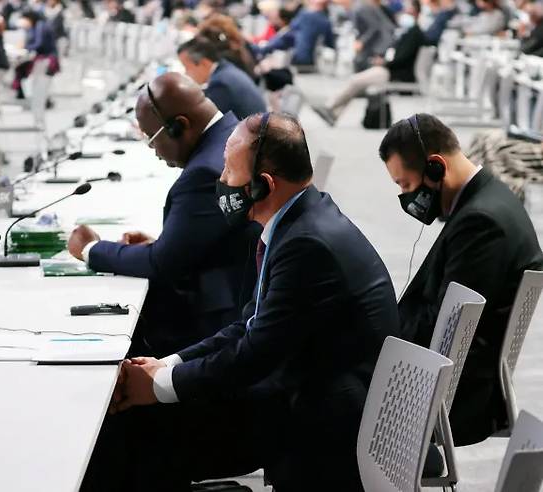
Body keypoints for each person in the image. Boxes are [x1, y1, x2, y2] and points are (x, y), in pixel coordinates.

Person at [79, 112, 399, 491]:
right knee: (143, 419)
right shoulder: (301, 220)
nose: (222, 184)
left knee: (137, 427)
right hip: (303, 392)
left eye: (229, 174)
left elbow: (253, 356)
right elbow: (248, 325)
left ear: (263, 185)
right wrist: (166, 366)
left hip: (320, 424)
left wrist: (159, 386)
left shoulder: (306, 244)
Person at [67, 73, 260, 357]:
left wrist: (90, 250)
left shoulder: (204, 172)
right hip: (239, 291)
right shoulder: (229, 136)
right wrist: (169, 241)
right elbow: (216, 235)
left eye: (152, 139)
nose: (155, 152)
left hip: (217, 322)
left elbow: (161, 265)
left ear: (179, 126)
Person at [379, 113, 543, 445]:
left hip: (457, 394)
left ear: (436, 167)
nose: (407, 198)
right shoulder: (485, 198)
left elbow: (444, 328)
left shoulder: (482, 222)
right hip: (452, 376)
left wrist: (375, 339)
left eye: (406, 185)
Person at [315, 0, 427, 126]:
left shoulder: (414, 33)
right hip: (391, 71)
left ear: (415, 11)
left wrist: (383, 63)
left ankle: (329, 107)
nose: (404, 11)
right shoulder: (411, 32)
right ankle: (333, 114)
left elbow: (401, 59)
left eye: (408, 8)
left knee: (356, 81)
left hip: (395, 73)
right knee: (358, 82)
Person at [178, 36, 267, 120]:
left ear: (204, 63)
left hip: (253, 133)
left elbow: (207, 121)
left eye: (187, 67)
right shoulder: (225, 69)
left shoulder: (220, 84)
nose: (186, 73)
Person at [253, 0, 335, 70]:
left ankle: (261, 50)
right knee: (290, 36)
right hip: (310, 63)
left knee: (287, 36)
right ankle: (262, 49)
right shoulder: (326, 21)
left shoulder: (305, 15)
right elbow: (330, 43)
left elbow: (289, 31)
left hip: (299, 61)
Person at [13, 9, 59, 99]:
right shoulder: (36, 26)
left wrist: (25, 47)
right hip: (44, 57)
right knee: (21, 66)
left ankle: (24, 93)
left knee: (22, 66)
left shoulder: (40, 26)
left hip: (47, 58)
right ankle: (22, 92)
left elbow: (38, 44)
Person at [352, 0, 396, 71]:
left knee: (362, 63)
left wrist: (362, 41)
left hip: (382, 41)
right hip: (380, 40)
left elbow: (374, 26)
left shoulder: (362, 7)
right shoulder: (362, 6)